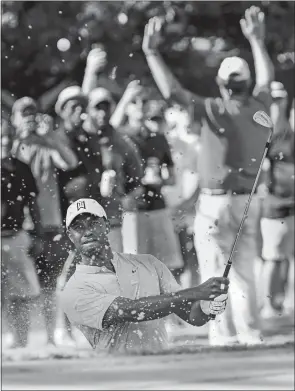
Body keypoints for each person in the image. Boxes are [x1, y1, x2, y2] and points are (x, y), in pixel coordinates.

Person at [142, 6, 274, 345]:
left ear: (221, 83)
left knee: (215, 272)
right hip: (249, 201)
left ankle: (223, 335)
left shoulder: (213, 108)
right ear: (245, 83)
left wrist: (152, 51)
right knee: (245, 269)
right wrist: (257, 42)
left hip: (216, 205)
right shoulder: (259, 106)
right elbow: (266, 80)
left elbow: (173, 93)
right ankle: (251, 333)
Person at [60, 198, 229, 354]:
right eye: (78, 227)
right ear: (70, 235)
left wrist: (207, 307)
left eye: (94, 223)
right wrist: (197, 292)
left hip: (163, 369)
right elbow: (133, 310)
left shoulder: (148, 263)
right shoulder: (74, 291)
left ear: (107, 225)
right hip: (115, 376)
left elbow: (191, 315)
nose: (87, 232)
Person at [10, 97, 78, 346]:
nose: (29, 117)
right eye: (23, 113)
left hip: (48, 224)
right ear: (14, 119)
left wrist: (48, 138)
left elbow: (70, 162)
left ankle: (53, 337)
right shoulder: (10, 146)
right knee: (17, 288)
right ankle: (19, 339)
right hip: (17, 227)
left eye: (32, 112)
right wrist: (19, 139)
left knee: (50, 283)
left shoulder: (46, 143)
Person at [111, 81, 184, 281]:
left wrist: (159, 179)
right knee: (135, 268)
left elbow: (172, 178)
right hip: (133, 210)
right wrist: (126, 97)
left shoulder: (158, 138)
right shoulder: (122, 136)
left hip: (158, 206)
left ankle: (167, 309)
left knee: (169, 266)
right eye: (135, 102)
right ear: (128, 107)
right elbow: (109, 130)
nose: (141, 106)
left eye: (144, 101)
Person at [1, 119, 42, 349]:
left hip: (16, 236)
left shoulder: (21, 168)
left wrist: (38, 235)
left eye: (8, 136)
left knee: (21, 294)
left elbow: (33, 204)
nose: (5, 141)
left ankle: (21, 342)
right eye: (0, 137)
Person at [260, 82, 294, 317]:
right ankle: (268, 306)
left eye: (281, 99)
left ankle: (286, 303)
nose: (278, 103)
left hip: (291, 204)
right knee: (273, 258)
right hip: (274, 205)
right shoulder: (263, 131)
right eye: (274, 99)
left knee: (288, 257)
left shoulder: (289, 132)